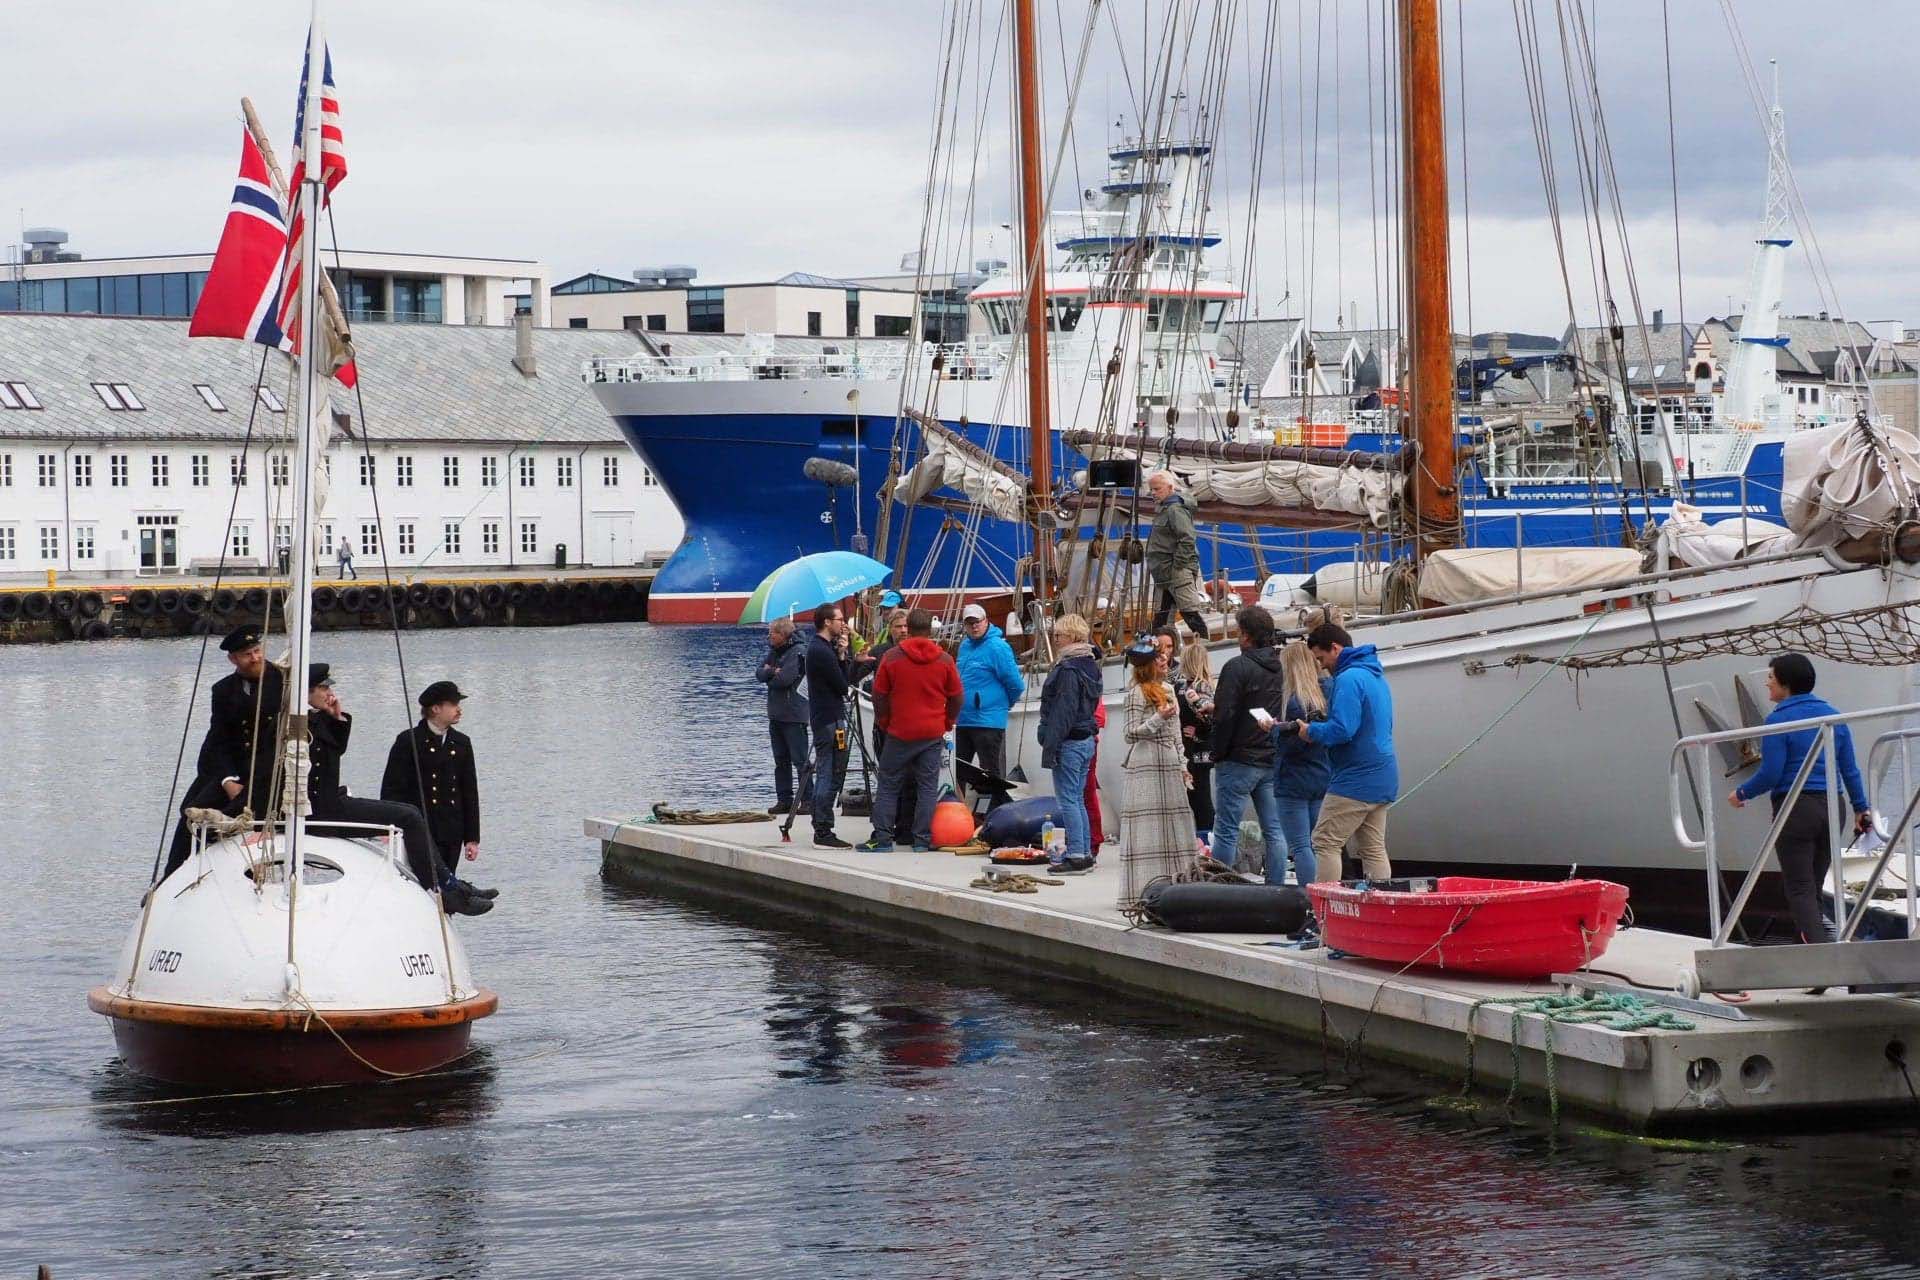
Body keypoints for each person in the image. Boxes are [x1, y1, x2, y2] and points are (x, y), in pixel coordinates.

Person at [1729, 653, 1872, 945]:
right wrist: (1861, 808)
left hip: (1796, 809)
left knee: (1799, 889)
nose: (1767, 683)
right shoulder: (1834, 716)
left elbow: (1771, 774)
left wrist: (1741, 793)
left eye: (1771, 677)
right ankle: (1816, 949)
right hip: (1833, 807)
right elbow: (1849, 769)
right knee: (1814, 888)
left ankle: (1819, 961)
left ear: (1786, 684)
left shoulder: (1778, 720)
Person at [166, 624, 287, 875]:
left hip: (270, 772)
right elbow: (218, 739)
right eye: (247, 654)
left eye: (257, 650)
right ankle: (171, 877)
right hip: (235, 770)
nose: (255, 658)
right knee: (190, 816)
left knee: (240, 813)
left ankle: (253, 870)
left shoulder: (285, 682)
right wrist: (227, 780)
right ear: (233, 659)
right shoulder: (223, 691)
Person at [380, 679, 498, 907]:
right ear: (435, 709)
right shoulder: (409, 741)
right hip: (419, 827)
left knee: (445, 889)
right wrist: (389, 827)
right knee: (423, 886)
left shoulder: (461, 743)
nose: (458, 709)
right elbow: (392, 787)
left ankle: (452, 908)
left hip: (451, 830)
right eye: (453, 704)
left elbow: (469, 792)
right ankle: (456, 900)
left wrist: (472, 838)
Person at [1298, 622, 1397, 882]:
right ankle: (1381, 910)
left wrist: (1312, 731)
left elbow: (1343, 729)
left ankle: (1326, 912)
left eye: (1321, 658)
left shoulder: (1348, 678)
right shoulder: (1375, 675)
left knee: (1324, 841)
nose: (1322, 666)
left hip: (1355, 779)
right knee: (1373, 847)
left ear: (1335, 648)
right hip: (1383, 775)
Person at [859, 608, 963, 852]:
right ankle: (922, 840)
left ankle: (883, 838)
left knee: (888, 784)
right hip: (931, 732)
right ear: (930, 630)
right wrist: (947, 721)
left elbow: (879, 694)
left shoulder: (892, 657)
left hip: (899, 731)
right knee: (927, 786)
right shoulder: (945, 659)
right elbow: (957, 697)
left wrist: (884, 721)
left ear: (910, 628)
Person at [1208, 606, 1288, 876]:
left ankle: (1220, 889)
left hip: (1238, 758)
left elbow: (1225, 715)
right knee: (1274, 829)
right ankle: (1275, 886)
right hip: (1268, 755)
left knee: (1227, 830)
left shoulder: (1236, 667)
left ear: (1245, 636)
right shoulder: (1278, 667)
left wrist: (1217, 752)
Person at [1119, 639, 1197, 908]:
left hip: (1167, 761)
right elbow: (1130, 733)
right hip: (1145, 765)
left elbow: (1177, 735)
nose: (1164, 663)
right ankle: (1143, 889)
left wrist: (1183, 765)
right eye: (1159, 660)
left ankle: (1179, 886)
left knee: (1174, 824)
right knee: (1147, 829)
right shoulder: (1136, 694)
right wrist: (1157, 719)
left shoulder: (1168, 689)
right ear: (1149, 666)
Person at [1036, 612, 1102, 873]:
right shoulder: (1090, 665)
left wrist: (1049, 744)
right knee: (1078, 799)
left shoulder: (1068, 669)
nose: (1056, 639)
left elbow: (1063, 711)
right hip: (1085, 738)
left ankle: (1076, 855)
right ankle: (1084, 851)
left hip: (1070, 741)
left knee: (1069, 800)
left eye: (1059, 635)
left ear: (1072, 636)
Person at [1271, 639, 1332, 885]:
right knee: (1318, 843)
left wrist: (1273, 730)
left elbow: (1288, 746)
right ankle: (1325, 894)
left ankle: (1310, 899)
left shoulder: (1294, 702)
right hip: (1321, 775)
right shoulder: (1325, 695)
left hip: (1293, 781)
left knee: (1300, 845)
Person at [954, 602, 1024, 797]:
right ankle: (960, 816)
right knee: (956, 771)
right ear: (964, 626)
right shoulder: (964, 646)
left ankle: (994, 816)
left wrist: (1001, 705)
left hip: (987, 721)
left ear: (986, 622)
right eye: (969, 623)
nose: (974, 626)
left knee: (991, 774)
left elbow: (1015, 684)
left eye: (977, 622)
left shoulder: (998, 647)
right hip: (963, 720)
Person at [806, 603, 855, 848]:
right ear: (827, 622)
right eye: (839, 619)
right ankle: (823, 830)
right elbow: (842, 685)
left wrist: (841, 655)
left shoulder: (820, 648)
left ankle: (822, 824)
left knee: (832, 769)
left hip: (827, 718)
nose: (842, 623)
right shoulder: (821, 651)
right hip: (830, 721)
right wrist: (844, 657)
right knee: (829, 771)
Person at [1144, 470, 1209, 640]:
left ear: (1170, 487)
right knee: (1162, 618)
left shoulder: (1175, 510)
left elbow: (1187, 539)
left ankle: (1205, 646)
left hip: (1175, 572)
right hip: (1165, 572)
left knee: (1190, 613)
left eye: (1157, 489)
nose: (1153, 493)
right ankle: (1155, 648)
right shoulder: (1165, 508)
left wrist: (1178, 567)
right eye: (1151, 489)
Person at [757, 618, 811, 815]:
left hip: (794, 714)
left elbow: (784, 679)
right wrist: (771, 671)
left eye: (772, 633)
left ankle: (807, 799)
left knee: (800, 760)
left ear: (783, 634)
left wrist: (769, 675)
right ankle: (784, 799)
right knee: (780, 760)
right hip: (776, 714)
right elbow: (759, 673)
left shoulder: (798, 652)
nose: (769, 637)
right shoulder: (774, 651)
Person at [1173, 632, 1217, 846]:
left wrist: (1194, 732)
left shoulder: (1188, 688)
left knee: (1196, 797)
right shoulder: (1201, 686)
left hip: (1191, 750)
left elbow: (1206, 718)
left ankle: (1202, 840)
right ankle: (1203, 839)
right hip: (1200, 750)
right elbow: (1211, 718)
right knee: (1199, 797)